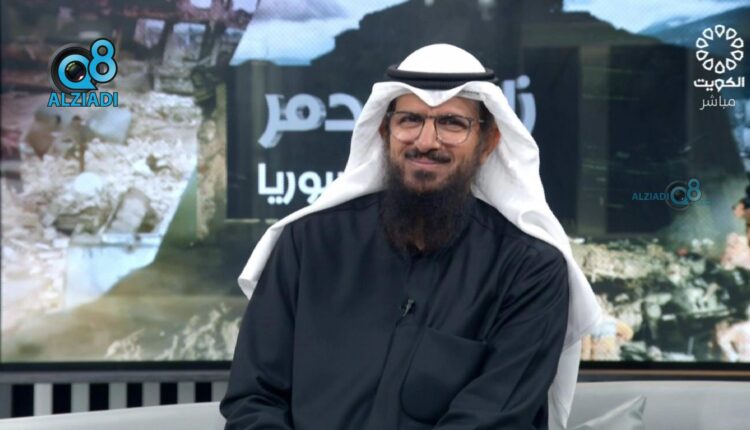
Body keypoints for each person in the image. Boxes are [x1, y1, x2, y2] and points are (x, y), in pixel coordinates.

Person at [221, 44, 600, 429]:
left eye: (452, 123)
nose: (426, 141)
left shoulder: (529, 269)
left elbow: (492, 421)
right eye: (410, 120)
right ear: (385, 131)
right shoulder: (307, 244)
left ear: (487, 143)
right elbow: (254, 399)